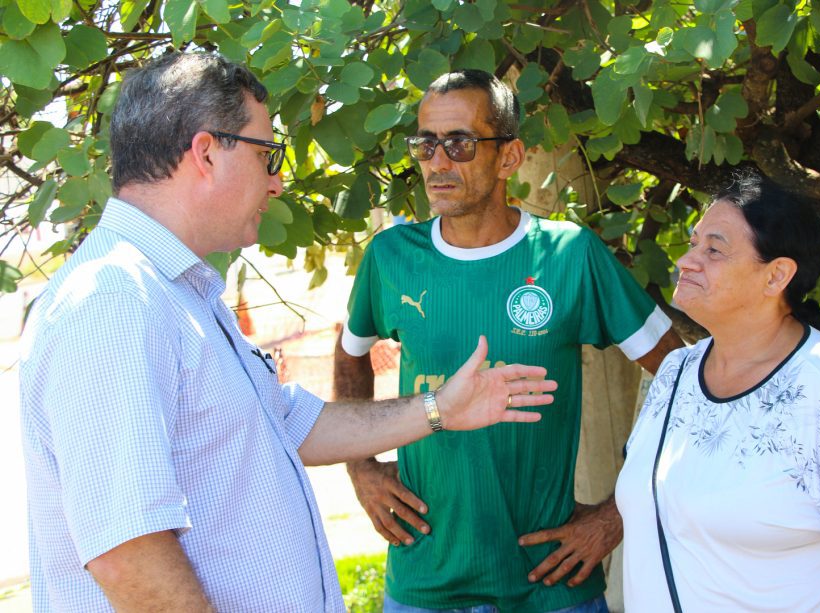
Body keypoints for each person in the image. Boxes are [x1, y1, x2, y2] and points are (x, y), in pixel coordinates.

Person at [18, 53, 560, 612]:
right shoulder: (114, 302)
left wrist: (439, 408)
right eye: (267, 154)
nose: (276, 182)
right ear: (206, 152)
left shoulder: (174, 292)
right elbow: (130, 554)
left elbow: (290, 424)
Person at [334, 69, 684, 612]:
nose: (438, 162)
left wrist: (620, 512)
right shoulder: (390, 257)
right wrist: (361, 467)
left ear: (509, 156)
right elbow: (350, 358)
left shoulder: (570, 256)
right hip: (424, 583)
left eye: (460, 143)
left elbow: (687, 377)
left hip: (551, 586)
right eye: (425, 144)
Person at [615, 172, 820, 611]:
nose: (687, 260)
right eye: (694, 242)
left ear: (776, 275)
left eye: (714, 249)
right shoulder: (675, 374)